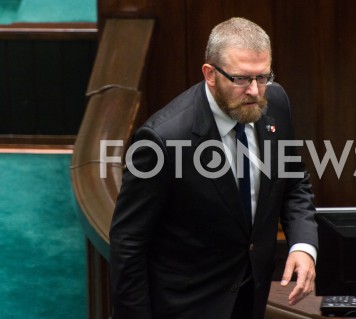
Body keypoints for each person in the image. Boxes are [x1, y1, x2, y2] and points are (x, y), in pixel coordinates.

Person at [109, 17, 318, 319]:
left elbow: (294, 181)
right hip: (187, 304)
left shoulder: (276, 102)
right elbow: (129, 241)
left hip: (252, 295)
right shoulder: (162, 139)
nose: (255, 91)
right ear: (210, 74)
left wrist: (302, 244)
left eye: (263, 76)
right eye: (242, 79)